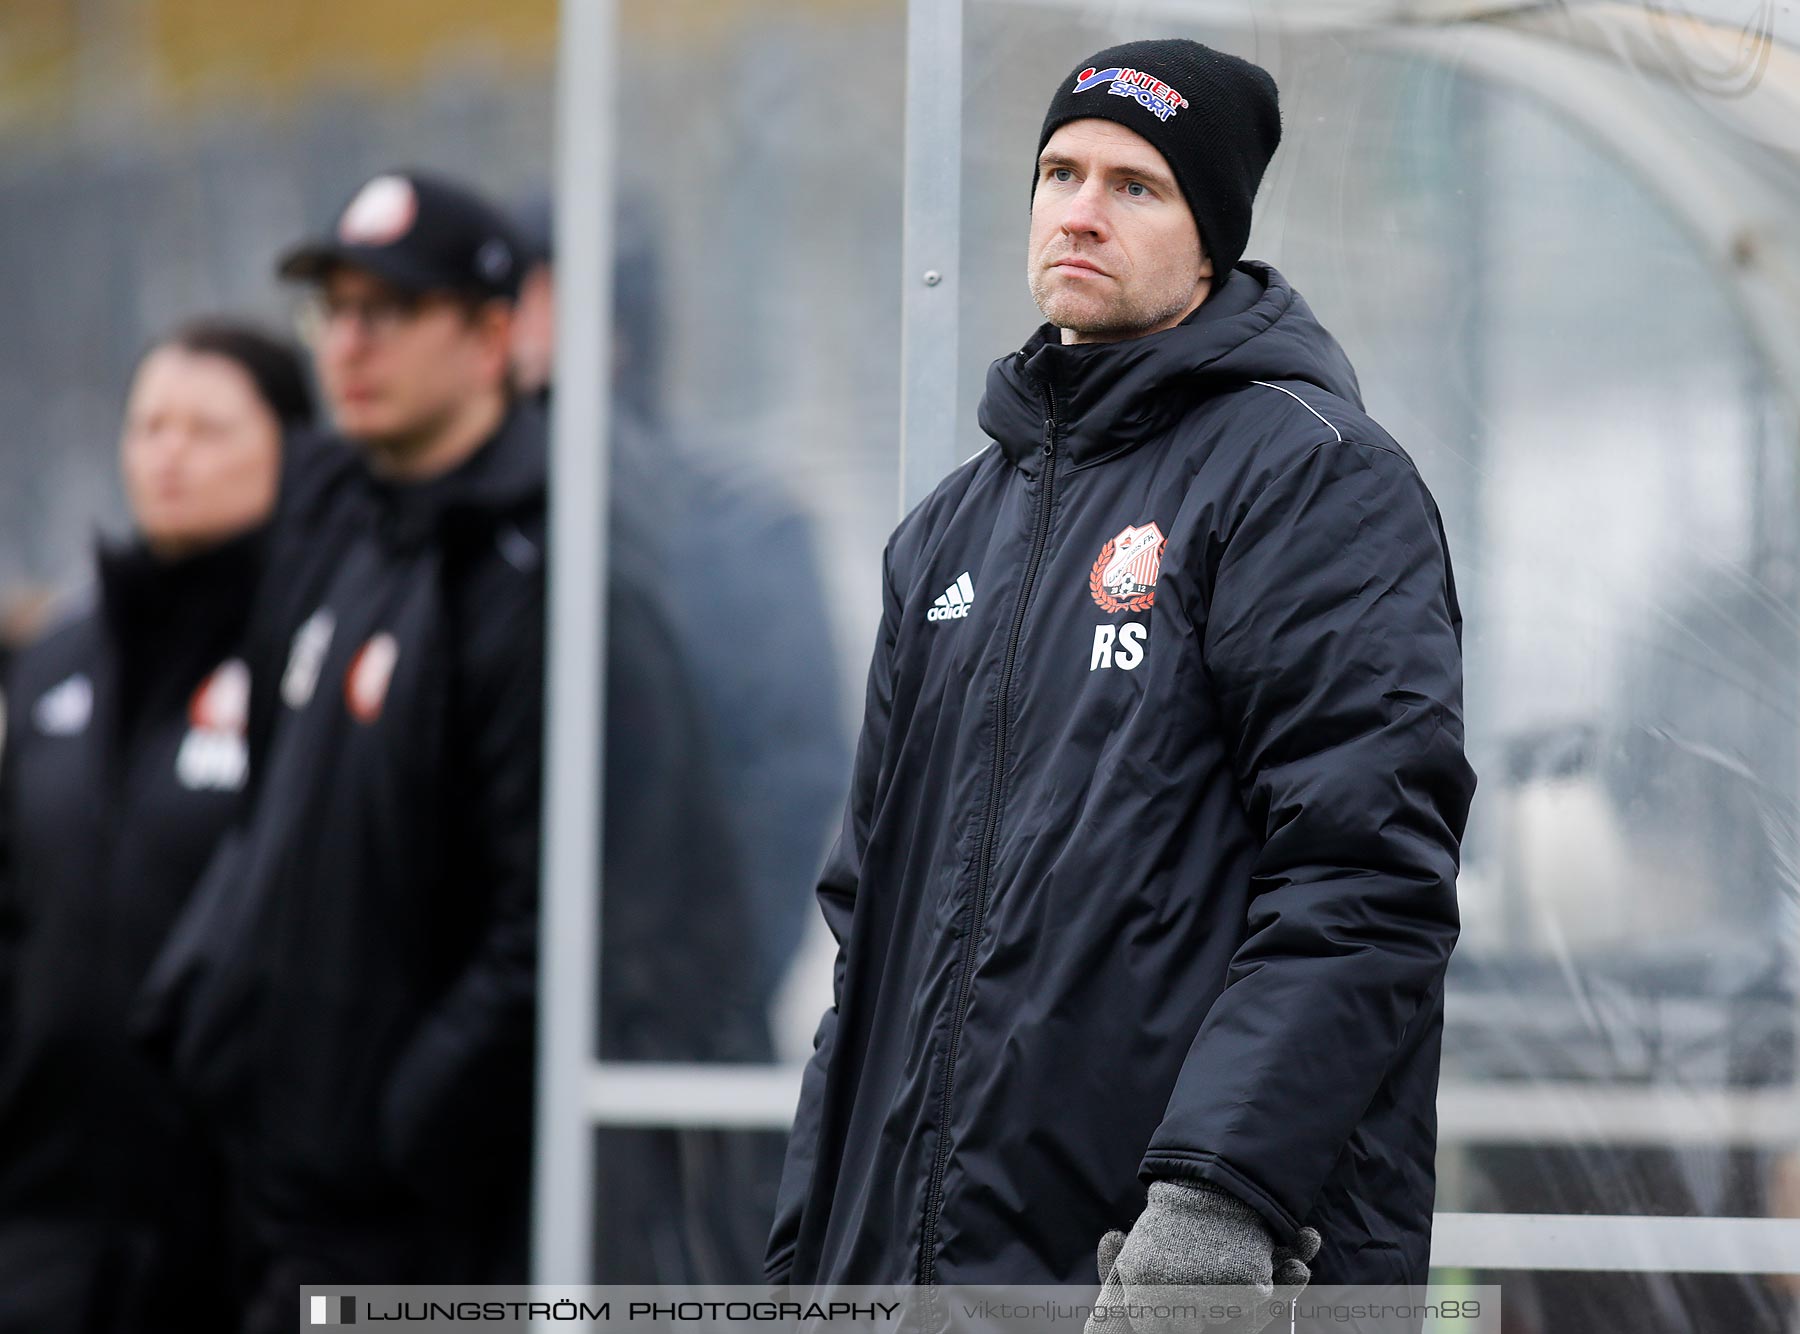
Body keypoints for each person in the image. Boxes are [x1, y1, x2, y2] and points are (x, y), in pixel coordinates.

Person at [764, 35, 1477, 1327]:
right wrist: (805, 1244)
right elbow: (863, 930)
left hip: (1165, 1276)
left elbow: (1364, 880)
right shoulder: (947, 531)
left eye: (1135, 185)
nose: (1081, 209)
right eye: (1060, 170)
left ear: (1212, 238)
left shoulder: (1312, 479)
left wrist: (1215, 1201)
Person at [132, 171, 550, 1315]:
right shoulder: (334, 523)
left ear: (491, 334)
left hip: (411, 1231)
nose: (350, 342)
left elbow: (539, 919)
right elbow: (272, 813)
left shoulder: (525, 563)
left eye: (391, 310)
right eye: (336, 308)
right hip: (277, 1190)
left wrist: (397, 1122)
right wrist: (199, 1016)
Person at [0, 320, 313, 1332]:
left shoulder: (315, 663)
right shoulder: (59, 658)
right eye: (150, 425)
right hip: (45, 1216)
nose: (168, 452)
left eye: (207, 428)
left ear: (291, 448)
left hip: (240, 1227)